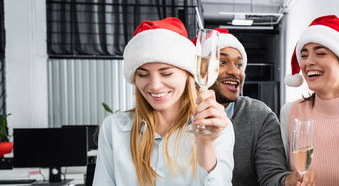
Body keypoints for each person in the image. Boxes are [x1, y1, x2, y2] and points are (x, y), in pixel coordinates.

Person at [93, 17, 234, 186]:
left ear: (187, 75)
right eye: (143, 74)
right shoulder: (113, 128)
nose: (155, 85)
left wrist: (206, 145)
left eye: (166, 73)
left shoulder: (217, 127)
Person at [280, 15, 339, 186]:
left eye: (320, 53)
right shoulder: (289, 113)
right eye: (304, 55)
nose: (308, 62)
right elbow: (281, 176)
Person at [205, 28, 292, 186]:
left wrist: (288, 181)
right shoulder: (181, 114)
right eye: (222, 62)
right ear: (201, 69)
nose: (234, 71)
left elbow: (272, 176)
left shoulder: (260, 116)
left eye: (239, 64)